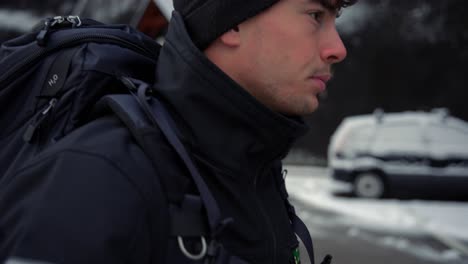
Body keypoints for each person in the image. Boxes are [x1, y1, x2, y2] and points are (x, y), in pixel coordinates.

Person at [0, 0, 357, 263]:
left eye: (334, 19)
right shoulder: (98, 178)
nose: (337, 48)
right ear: (232, 24)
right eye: (316, 16)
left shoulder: (250, 168)